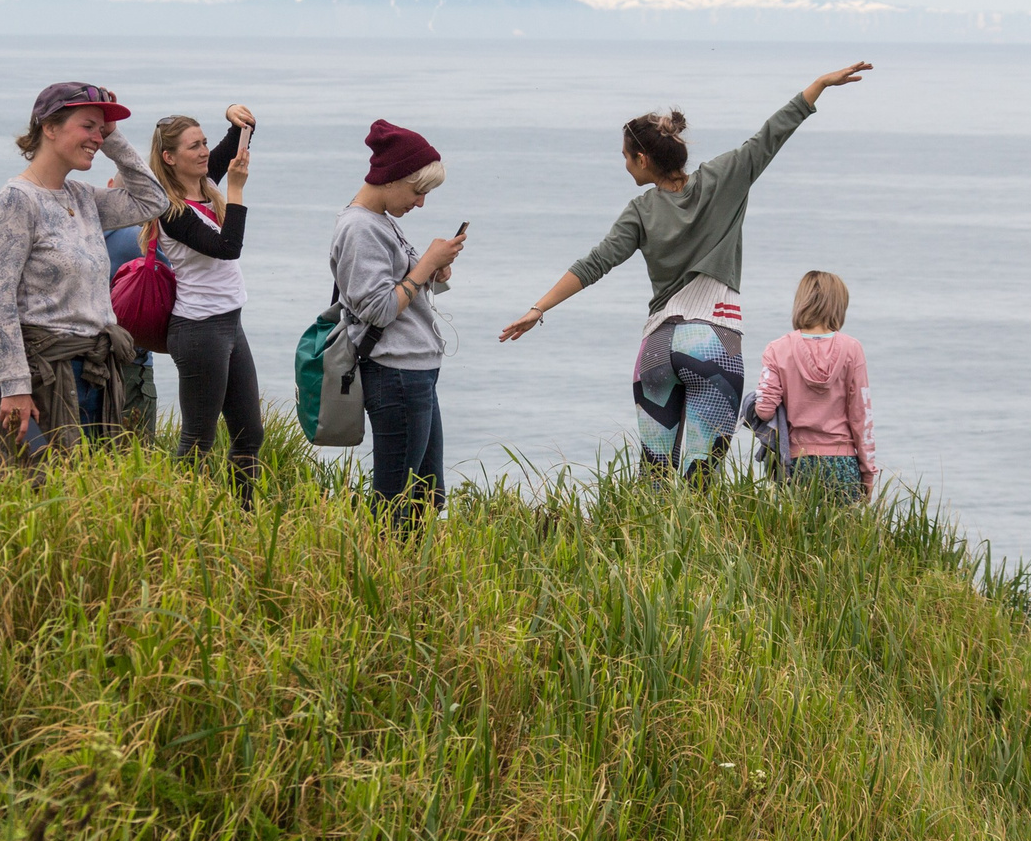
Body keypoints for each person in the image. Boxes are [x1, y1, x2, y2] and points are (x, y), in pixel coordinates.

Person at [498, 63, 871, 482]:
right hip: (713, 342)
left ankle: (639, 547)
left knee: (654, 478)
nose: (624, 165)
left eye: (625, 157)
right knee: (700, 482)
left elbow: (594, 263)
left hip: (657, 348)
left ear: (643, 159)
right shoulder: (723, 178)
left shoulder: (639, 211)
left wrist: (538, 308)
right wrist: (818, 85)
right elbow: (770, 136)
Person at [0, 83, 166, 466]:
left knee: (90, 496)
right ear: (49, 127)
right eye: (88, 127)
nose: (97, 137)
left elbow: (154, 200)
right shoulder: (17, 201)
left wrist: (114, 138)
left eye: (101, 129)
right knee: (36, 491)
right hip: (45, 378)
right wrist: (15, 388)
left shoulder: (83, 198)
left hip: (95, 373)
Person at [330, 119, 465, 526]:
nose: (420, 203)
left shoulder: (381, 222)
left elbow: (394, 290)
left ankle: (411, 573)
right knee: (397, 501)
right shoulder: (360, 228)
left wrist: (432, 271)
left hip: (414, 369)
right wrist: (425, 265)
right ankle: (388, 576)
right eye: (418, 191)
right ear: (390, 179)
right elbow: (378, 309)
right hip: (395, 372)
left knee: (427, 493)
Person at [146, 105, 262, 502]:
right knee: (198, 439)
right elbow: (227, 248)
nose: (203, 152)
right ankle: (177, 517)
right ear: (169, 157)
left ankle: (244, 518)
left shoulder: (202, 183)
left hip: (231, 323)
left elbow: (242, 134)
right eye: (194, 146)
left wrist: (235, 115)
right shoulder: (171, 209)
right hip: (199, 330)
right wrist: (237, 190)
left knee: (250, 434)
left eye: (205, 144)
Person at [750, 271, 879, 504]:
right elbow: (862, 417)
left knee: (797, 538)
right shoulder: (853, 349)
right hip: (843, 463)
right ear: (839, 306)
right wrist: (868, 474)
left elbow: (765, 409)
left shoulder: (777, 349)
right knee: (843, 539)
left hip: (797, 462)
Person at [100, 219, 161, 444]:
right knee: (134, 460)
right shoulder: (140, 238)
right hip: (131, 368)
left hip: (82, 362)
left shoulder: (87, 229)